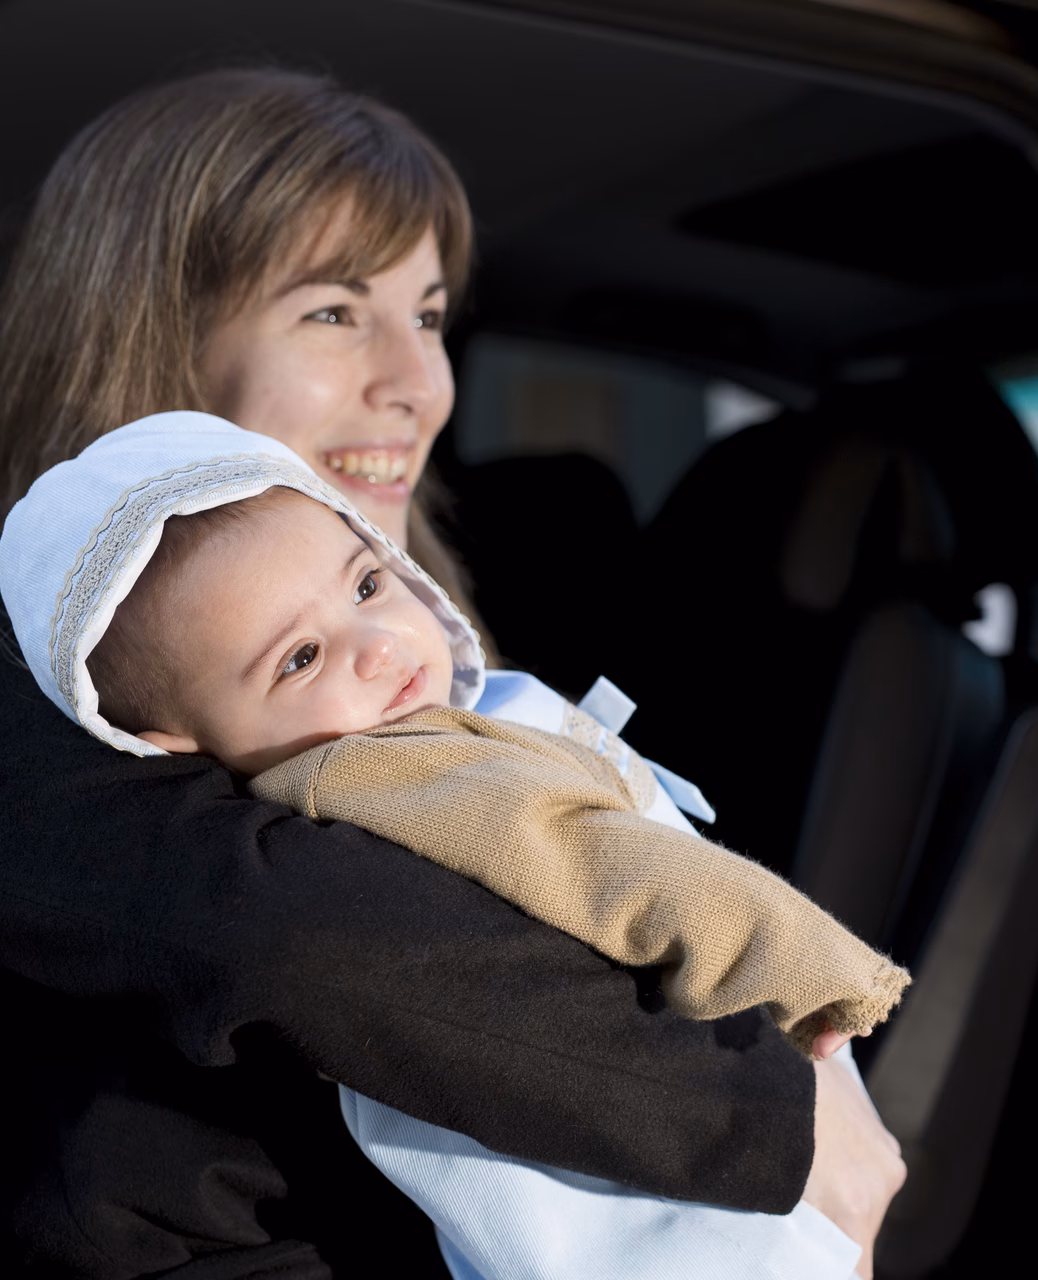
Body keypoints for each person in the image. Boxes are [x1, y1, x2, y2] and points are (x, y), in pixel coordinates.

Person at [0, 69, 905, 1277]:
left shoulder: (412, 649)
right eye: (334, 312)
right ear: (147, 323)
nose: (416, 383)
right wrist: (784, 1133)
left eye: (427, 316)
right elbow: (297, 932)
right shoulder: (46, 690)